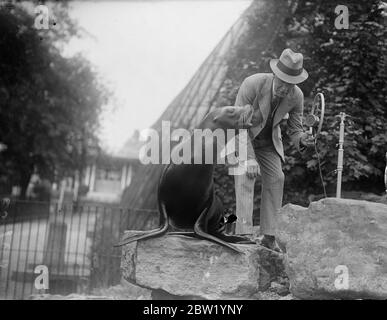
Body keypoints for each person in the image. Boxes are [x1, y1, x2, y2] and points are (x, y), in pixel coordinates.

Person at [233, 48, 314, 251]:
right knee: (245, 174)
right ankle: (243, 234)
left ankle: (269, 237)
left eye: (290, 84)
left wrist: (303, 139)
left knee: (277, 178)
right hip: (244, 138)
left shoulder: (297, 97)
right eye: (282, 81)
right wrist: (249, 159)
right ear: (275, 75)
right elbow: (238, 123)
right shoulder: (253, 83)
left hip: (269, 143)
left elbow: (295, 130)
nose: (285, 88)